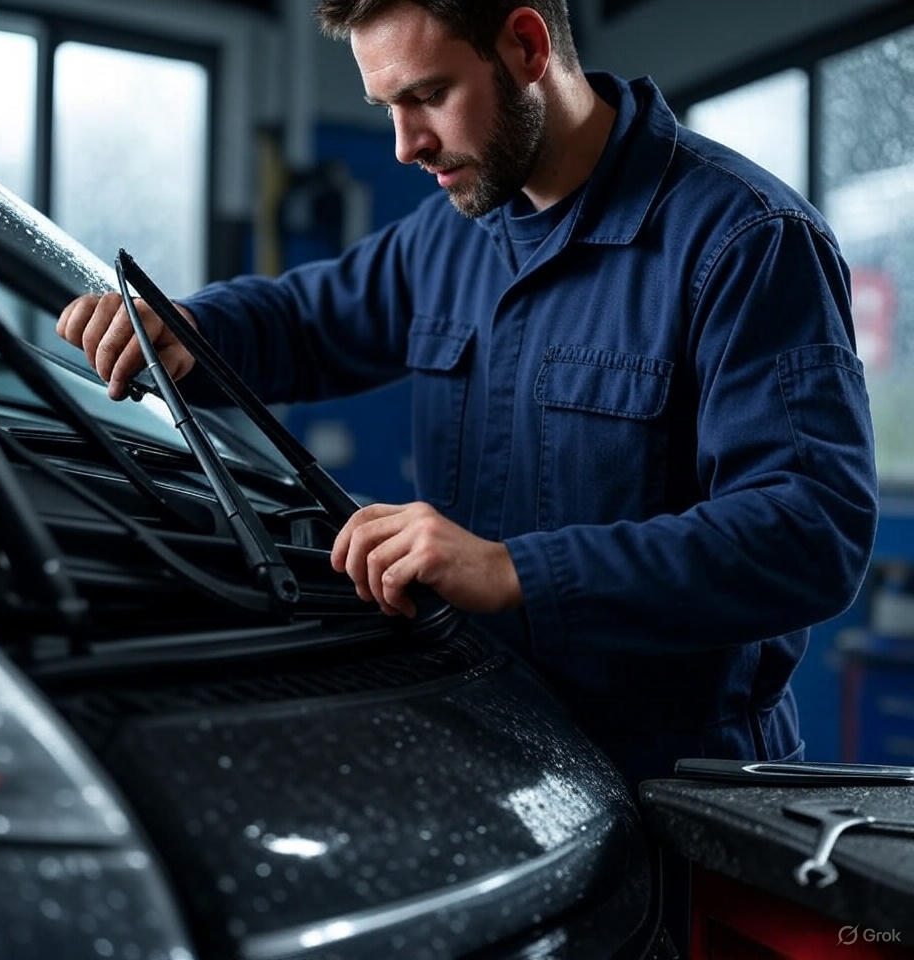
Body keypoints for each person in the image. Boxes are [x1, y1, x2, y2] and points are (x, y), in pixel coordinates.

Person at [56, 0, 877, 789]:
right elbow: (307, 318)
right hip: (486, 733)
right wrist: (184, 328)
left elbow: (807, 533)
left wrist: (516, 571)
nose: (406, 145)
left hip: (670, 785)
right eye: (386, 107)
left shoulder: (747, 239)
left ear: (526, 46)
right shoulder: (453, 231)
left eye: (429, 96)